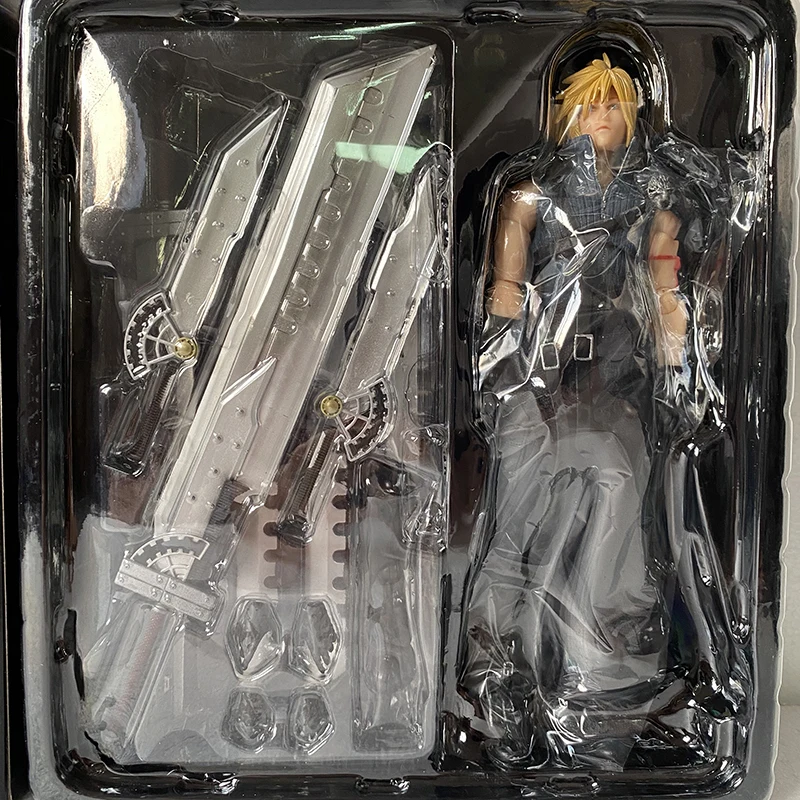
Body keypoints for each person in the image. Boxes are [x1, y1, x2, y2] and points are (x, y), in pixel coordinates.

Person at [457, 53, 747, 771]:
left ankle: (600, 680)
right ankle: (502, 673)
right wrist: (501, 362)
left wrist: (680, 355)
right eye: (590, 106)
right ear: (567, 113)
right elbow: (505, 283)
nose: (601, 118)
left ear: (634, 112)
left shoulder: (652, 196)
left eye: (613, 105)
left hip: (618, 376)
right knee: (520, 520)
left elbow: (664, 280)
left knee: (620, 520)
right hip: (538, 378)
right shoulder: (532, 193)